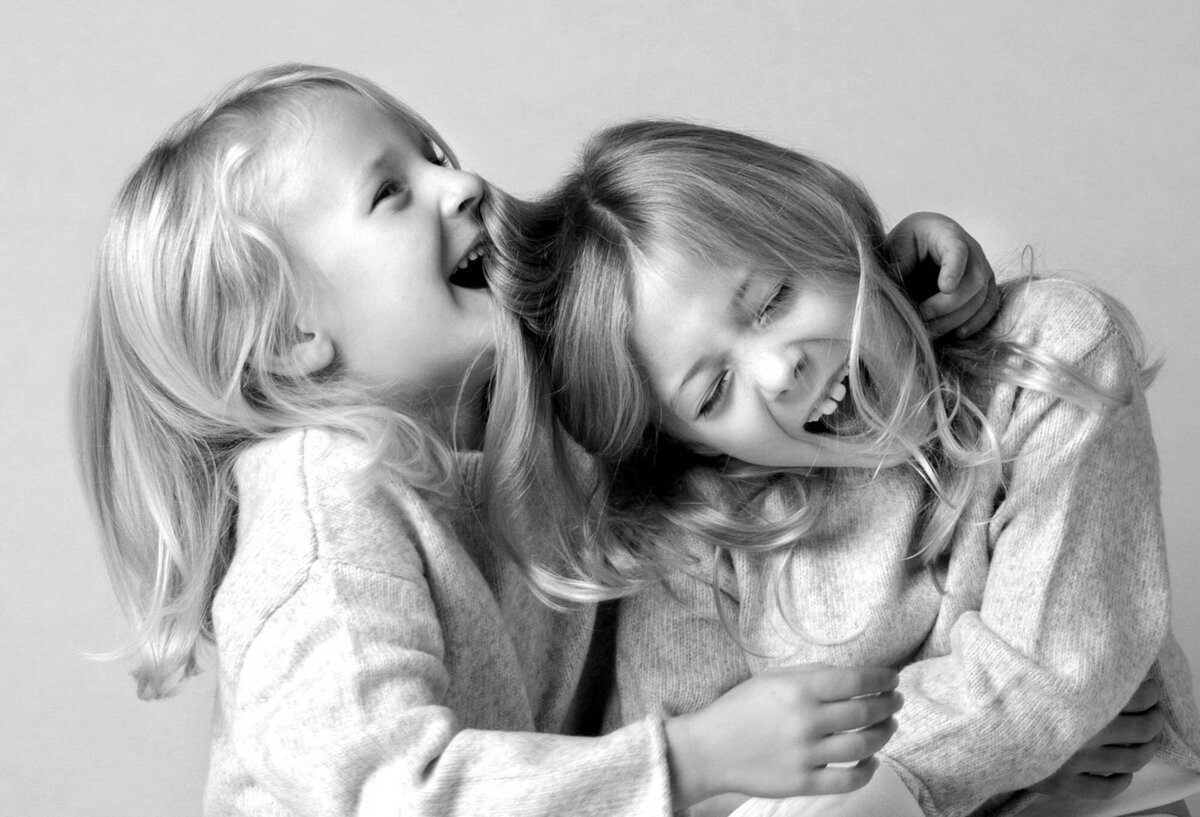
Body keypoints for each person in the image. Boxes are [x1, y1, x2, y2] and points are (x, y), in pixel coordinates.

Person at [72, 64, 1029, 815]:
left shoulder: (518, 410)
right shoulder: (323, 500)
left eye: (434, 153)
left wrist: (883, 275)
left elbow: (706, 331)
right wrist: (693, 759)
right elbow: (390, 795)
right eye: (390, 192)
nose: (461, 182)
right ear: (292, 338)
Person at [487, 120, 1200, 816]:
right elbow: (699, 791)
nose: (780, 371)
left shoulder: (1048, 353)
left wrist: (1019, 735)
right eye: (713, 392)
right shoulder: (702, 530)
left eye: (772, 301)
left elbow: (1050, 679)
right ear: (699, 444)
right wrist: (1017, 771)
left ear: (828, 232)